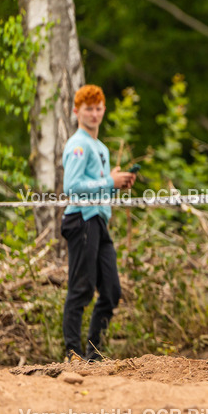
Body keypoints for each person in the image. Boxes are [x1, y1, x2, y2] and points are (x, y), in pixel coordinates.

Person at [61, 85, 136, 362]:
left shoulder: (100, 147)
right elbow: (72, 187)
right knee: (81, 288)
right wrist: (108, 181)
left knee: (112, 291)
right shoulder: (78, 145)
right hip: (81, 219)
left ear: (104, 110)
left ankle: (94, 354)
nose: (94, 114)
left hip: (100, 221)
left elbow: (98, 186)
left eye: (98, 108)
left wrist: (116, 183)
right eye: (88, 109)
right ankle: (72, 353)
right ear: (76, 111)